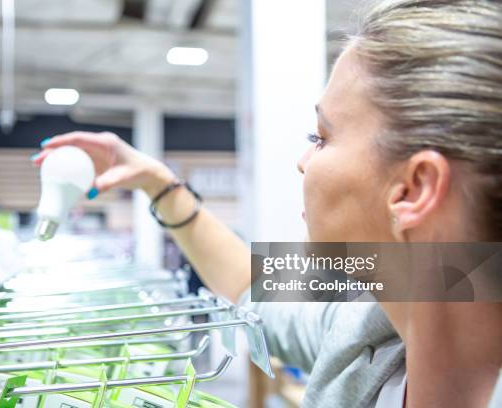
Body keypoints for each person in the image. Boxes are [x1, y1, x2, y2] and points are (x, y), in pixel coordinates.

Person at [32, 0, 502, 406]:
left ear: (414, 189)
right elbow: (252, 280)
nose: (303, 162)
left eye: (320, 137)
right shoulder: (369, 322)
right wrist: (160, 186)